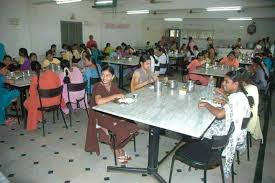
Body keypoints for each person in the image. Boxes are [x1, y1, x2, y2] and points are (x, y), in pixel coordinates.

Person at [199, 70, 252, 179]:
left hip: (231, 135)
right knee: (210, 121)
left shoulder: (236, 97)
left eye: (227, 82)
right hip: (239, 130)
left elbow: (219, 114)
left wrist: (207, 104)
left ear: (236, 83)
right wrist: (224, 102)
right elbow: (231, 104)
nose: (223, 83)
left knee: (203, 126)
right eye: (223, 81)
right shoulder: (239, 95)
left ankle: (203, 150)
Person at [85, 65, 139, 163]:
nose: (104, 78)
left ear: (113, 77)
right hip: (99, 114)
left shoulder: (113, 85)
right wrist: (115, 96)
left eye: (108, 75)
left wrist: (122, 97)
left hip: (110, 112)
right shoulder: (98, 86)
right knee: (120, 128)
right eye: (103, 75)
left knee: (133, 126)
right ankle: (115, 148)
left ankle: (118, 146)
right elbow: (99, 102)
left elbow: (120, 95)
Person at [24, 60, 63, 131]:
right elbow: (58, 83)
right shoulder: (52, 73)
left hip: (44, 103)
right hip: (57, 100)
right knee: (35, 100)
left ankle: (34, 123)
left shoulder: (35, 78)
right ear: (41, 67)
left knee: (28, 102)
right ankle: (39, 117)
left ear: (32, 70)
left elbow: (31, 93)